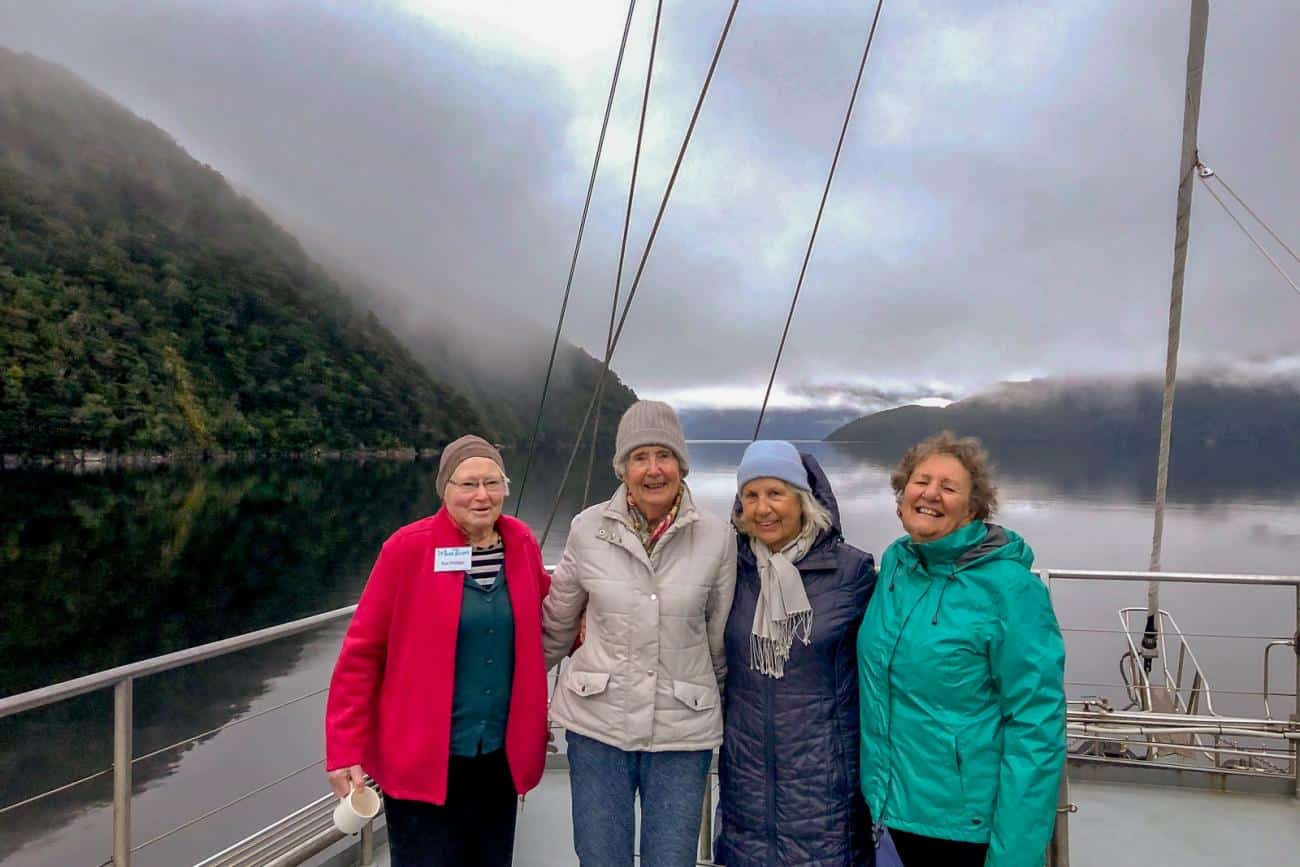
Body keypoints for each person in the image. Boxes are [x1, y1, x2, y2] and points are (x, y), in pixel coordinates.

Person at [324, 435, 551, 867]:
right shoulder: (407, 550)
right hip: (422, 758)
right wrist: (343, 749)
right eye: (467, 484)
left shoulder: (520, 544)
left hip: (498, 761)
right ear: (444, 490)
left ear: (505, 486)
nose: (481, 496)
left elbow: (553, 614)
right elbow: (361, 655)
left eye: (492, 482)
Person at [857, 431, 1065, 867]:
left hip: (962, 828)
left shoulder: (1011, 590)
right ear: (901, 496)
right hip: (885, 813)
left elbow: (1036, 727)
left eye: (948, 488)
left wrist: (1014, 856)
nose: (931, 494)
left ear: (972, 508)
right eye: (920, 481)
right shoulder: (897, 565)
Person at [543, 400, 736, 867]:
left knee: (670, 859)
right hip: (597, 727)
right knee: (599, 857)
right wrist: (519, 698)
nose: (653, 469)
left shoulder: (717, 537)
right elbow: (556, 623)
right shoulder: (587, 528)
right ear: (623, 468)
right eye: (640, 457)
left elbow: (719, 640)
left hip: (681, 734)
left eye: (663, 456)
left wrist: (722, 708)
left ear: (681, 465)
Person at [715, 441, 877, 866]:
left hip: (825, 789)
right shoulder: (729, 569)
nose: (763, 508)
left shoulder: (851, 573)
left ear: (803, 500)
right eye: (751, 495)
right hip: (745, 785)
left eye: (776, 493)